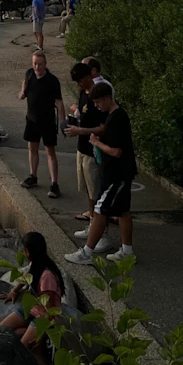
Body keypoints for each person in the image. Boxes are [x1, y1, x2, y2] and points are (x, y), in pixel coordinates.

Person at [65, 83, 136, 265]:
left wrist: (96, 142)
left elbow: (116, 151)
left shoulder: (115, 119)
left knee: (99, 210)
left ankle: (86, 253)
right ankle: (127, 251)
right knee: (123, 211)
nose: (97, 106)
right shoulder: (117, 116)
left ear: (106, 98)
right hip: (123, 171)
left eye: (98, 102)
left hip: (116, 173)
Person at [0, 231, 65, 365]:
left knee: (24, 349)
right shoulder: (36, 264)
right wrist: (14, 291)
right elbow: (27, 277)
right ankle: (25, 332)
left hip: (43, 316)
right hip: (32, 308)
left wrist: (40, 334)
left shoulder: (47, 276)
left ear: (28, 251)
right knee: (1, 332)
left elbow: (50, 310)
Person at [63, 62, 110, 246]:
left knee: (97, 192)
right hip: (81, 148)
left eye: (80, 81)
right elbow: (82, 116)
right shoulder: (83, 93)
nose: (79, 85)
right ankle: (92, 224)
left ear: (88, 77)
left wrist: (80, 131)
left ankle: (103, 232)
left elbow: (103, 127)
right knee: (88, 191)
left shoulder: (97, 96)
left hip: (93, 150)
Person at [19, 50, 65, 198]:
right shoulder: (29, 73)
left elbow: (59, 102)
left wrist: (63, 121)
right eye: (34, 64)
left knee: (50, 152)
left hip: (47, 121)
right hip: (32, 119)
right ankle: (33, 175)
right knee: (32, 148)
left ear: (45, 64)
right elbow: (25, 82)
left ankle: (54, 183)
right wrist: (23, 91)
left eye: (39, 64)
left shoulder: (52, 81)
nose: (37, 67)